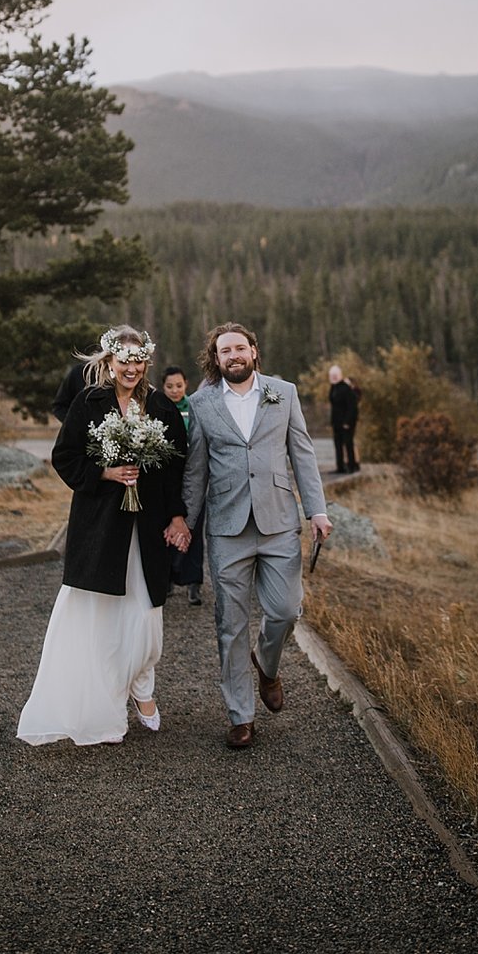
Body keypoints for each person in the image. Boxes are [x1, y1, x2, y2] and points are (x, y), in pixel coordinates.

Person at [17, 325, 187, 746]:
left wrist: (178, 516)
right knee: (105, 622)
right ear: (109, 362)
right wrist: (105, 473)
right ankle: (112, 698)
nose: (131, 367)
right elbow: (64, 456)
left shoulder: (162, 407)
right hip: (101, 528)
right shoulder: (88, 403)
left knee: (147, 622)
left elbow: (177, 468)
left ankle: (141, 686)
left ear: (146, 361)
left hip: (147, 529)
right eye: (123, 360)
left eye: (138, 359)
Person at [166, 321, 333, 749]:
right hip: (227, 527)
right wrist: (185, 518)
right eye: (225, 351)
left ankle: (267, 662)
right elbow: (196, 469)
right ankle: (241, 716)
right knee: (230, 624)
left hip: (278, 522)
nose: (234, 356)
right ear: (216, 358)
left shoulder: (284, 392)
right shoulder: (202, 404)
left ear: (254, 352)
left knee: (286, 610)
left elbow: (303, 453)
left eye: (240, 348)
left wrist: (316, 510)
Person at [162, 366, 204, 606]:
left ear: (186, 384)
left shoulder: (194, 408)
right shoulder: (158, 407)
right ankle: (167, 577)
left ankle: (193, 582)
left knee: (194, 528)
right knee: (166, 528)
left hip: (193, 478)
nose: (175, 390)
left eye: (179, 386)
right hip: (167, 478)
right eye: (170, 386)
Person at [328, 363, 360, 474]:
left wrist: (347, 421)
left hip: (346, 422)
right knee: (338, 445)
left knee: (348, 443)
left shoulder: (346, 389)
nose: (334, 377)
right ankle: (340, 467)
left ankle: (351, 466)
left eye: (335, 375)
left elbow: (352, 407)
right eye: (332, 375)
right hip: (336, 422)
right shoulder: (333, 388)